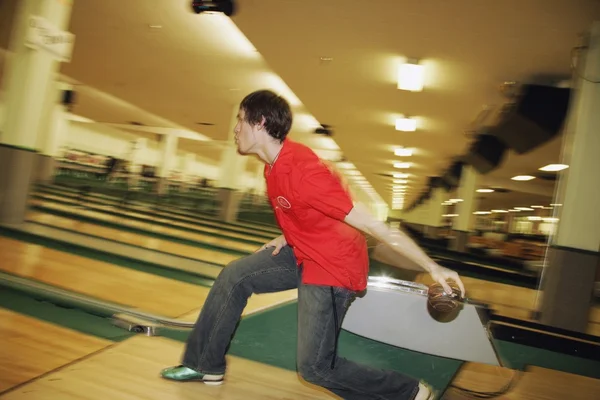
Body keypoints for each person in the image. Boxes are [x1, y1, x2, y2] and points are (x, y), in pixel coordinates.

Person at [160, 90, 466, 400]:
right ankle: (204, 364)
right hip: (304, 251)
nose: (235, 128)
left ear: (260, 123)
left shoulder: (306, 173)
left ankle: (409, 392)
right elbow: (303, 210)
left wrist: (433, 267)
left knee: (315, 368)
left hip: (333, 267)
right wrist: (287, 234)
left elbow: (376, 226)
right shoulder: (272, 165)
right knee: (234, 276)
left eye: (240, 120)